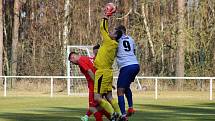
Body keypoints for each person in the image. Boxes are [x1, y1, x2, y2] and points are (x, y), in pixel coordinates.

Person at [93, 9, 122, 121]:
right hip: (108, 72)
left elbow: (102, 29)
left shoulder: (109, 41)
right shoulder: (115, 44)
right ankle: (120, 114)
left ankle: (113, 115)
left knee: (97, 97)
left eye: (113, 32)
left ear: (115, 36)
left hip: (102, 73)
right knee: (109, 96)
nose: (111, 32)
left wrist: (106, 16)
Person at [68, 47, 110, 121]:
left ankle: (87, 117)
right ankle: (113, 118)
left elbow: (89, 71)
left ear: (73, 57)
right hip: (101, 80)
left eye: (72, 61)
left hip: (93, 85)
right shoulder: (88, 58)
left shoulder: (81, 61)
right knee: (99, 106)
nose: (73, 63)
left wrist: (96, 83)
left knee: (92, 107)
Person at [115, 25, 140, 121]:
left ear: (119, 32)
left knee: (120, 91)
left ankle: (123, 115)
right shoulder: (131, 39)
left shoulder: (117, 40)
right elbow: (133, 51)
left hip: (126, 67)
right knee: (126, 87)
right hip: (135, 65)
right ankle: (130, 107)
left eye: (116, 31)